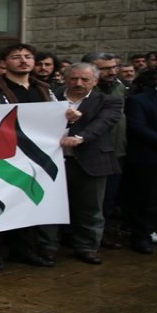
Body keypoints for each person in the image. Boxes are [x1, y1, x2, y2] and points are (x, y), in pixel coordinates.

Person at [0, 43, 63, 271]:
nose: (23, 61)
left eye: (28, 56)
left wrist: (66, 115)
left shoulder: (44, 89)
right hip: (2, 156)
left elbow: (54, 117)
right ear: (4, 63)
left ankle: (22, 249)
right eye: (16, 57)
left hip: (34, 155)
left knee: (27, 202)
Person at [57, 63, 123, 265]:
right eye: (74, 78)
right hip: (55, 161)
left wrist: (81, 137)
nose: (79, 83)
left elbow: (103, 123)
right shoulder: (51, 97)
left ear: (95, 81)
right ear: (65, 79)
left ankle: (87, 247)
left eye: (85, 79)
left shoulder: (108, 101)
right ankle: (52, 244)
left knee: (90, 208)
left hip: (91, 160)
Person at [122, 63, 157, 254]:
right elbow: (138, 128)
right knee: (146, 200)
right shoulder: (139, 100)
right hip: (150, 159)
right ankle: (141, 237)